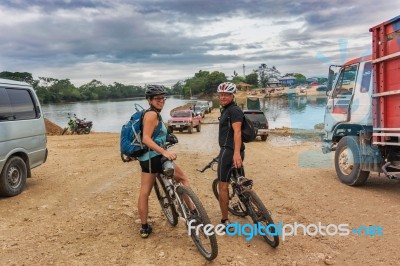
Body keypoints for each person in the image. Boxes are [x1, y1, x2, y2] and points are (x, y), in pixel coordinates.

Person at [137, 84, 191, 238]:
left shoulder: (149, 114)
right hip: (155, 157)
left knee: (144, 192)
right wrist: (164, 152)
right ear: (149, 100)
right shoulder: (152, 115)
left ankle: (144, 227)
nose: (161, 101)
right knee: (183, 179)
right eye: (157, 98)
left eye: (163, 98)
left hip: (146, 160)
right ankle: (193, 212)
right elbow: (146, 139)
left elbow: (153, 135)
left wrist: (168, 137)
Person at [216, 82, 245, 228]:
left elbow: (237, 132)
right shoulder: (227, 109)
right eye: (221, 94)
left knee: (223, 186)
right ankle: (249, 206)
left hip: (229, 151)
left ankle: (224, 220)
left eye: (226, 94)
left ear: (233, 95)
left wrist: (235, 154)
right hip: (235, 151)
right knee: (241, 180)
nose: (223, 97)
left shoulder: (233, 111)